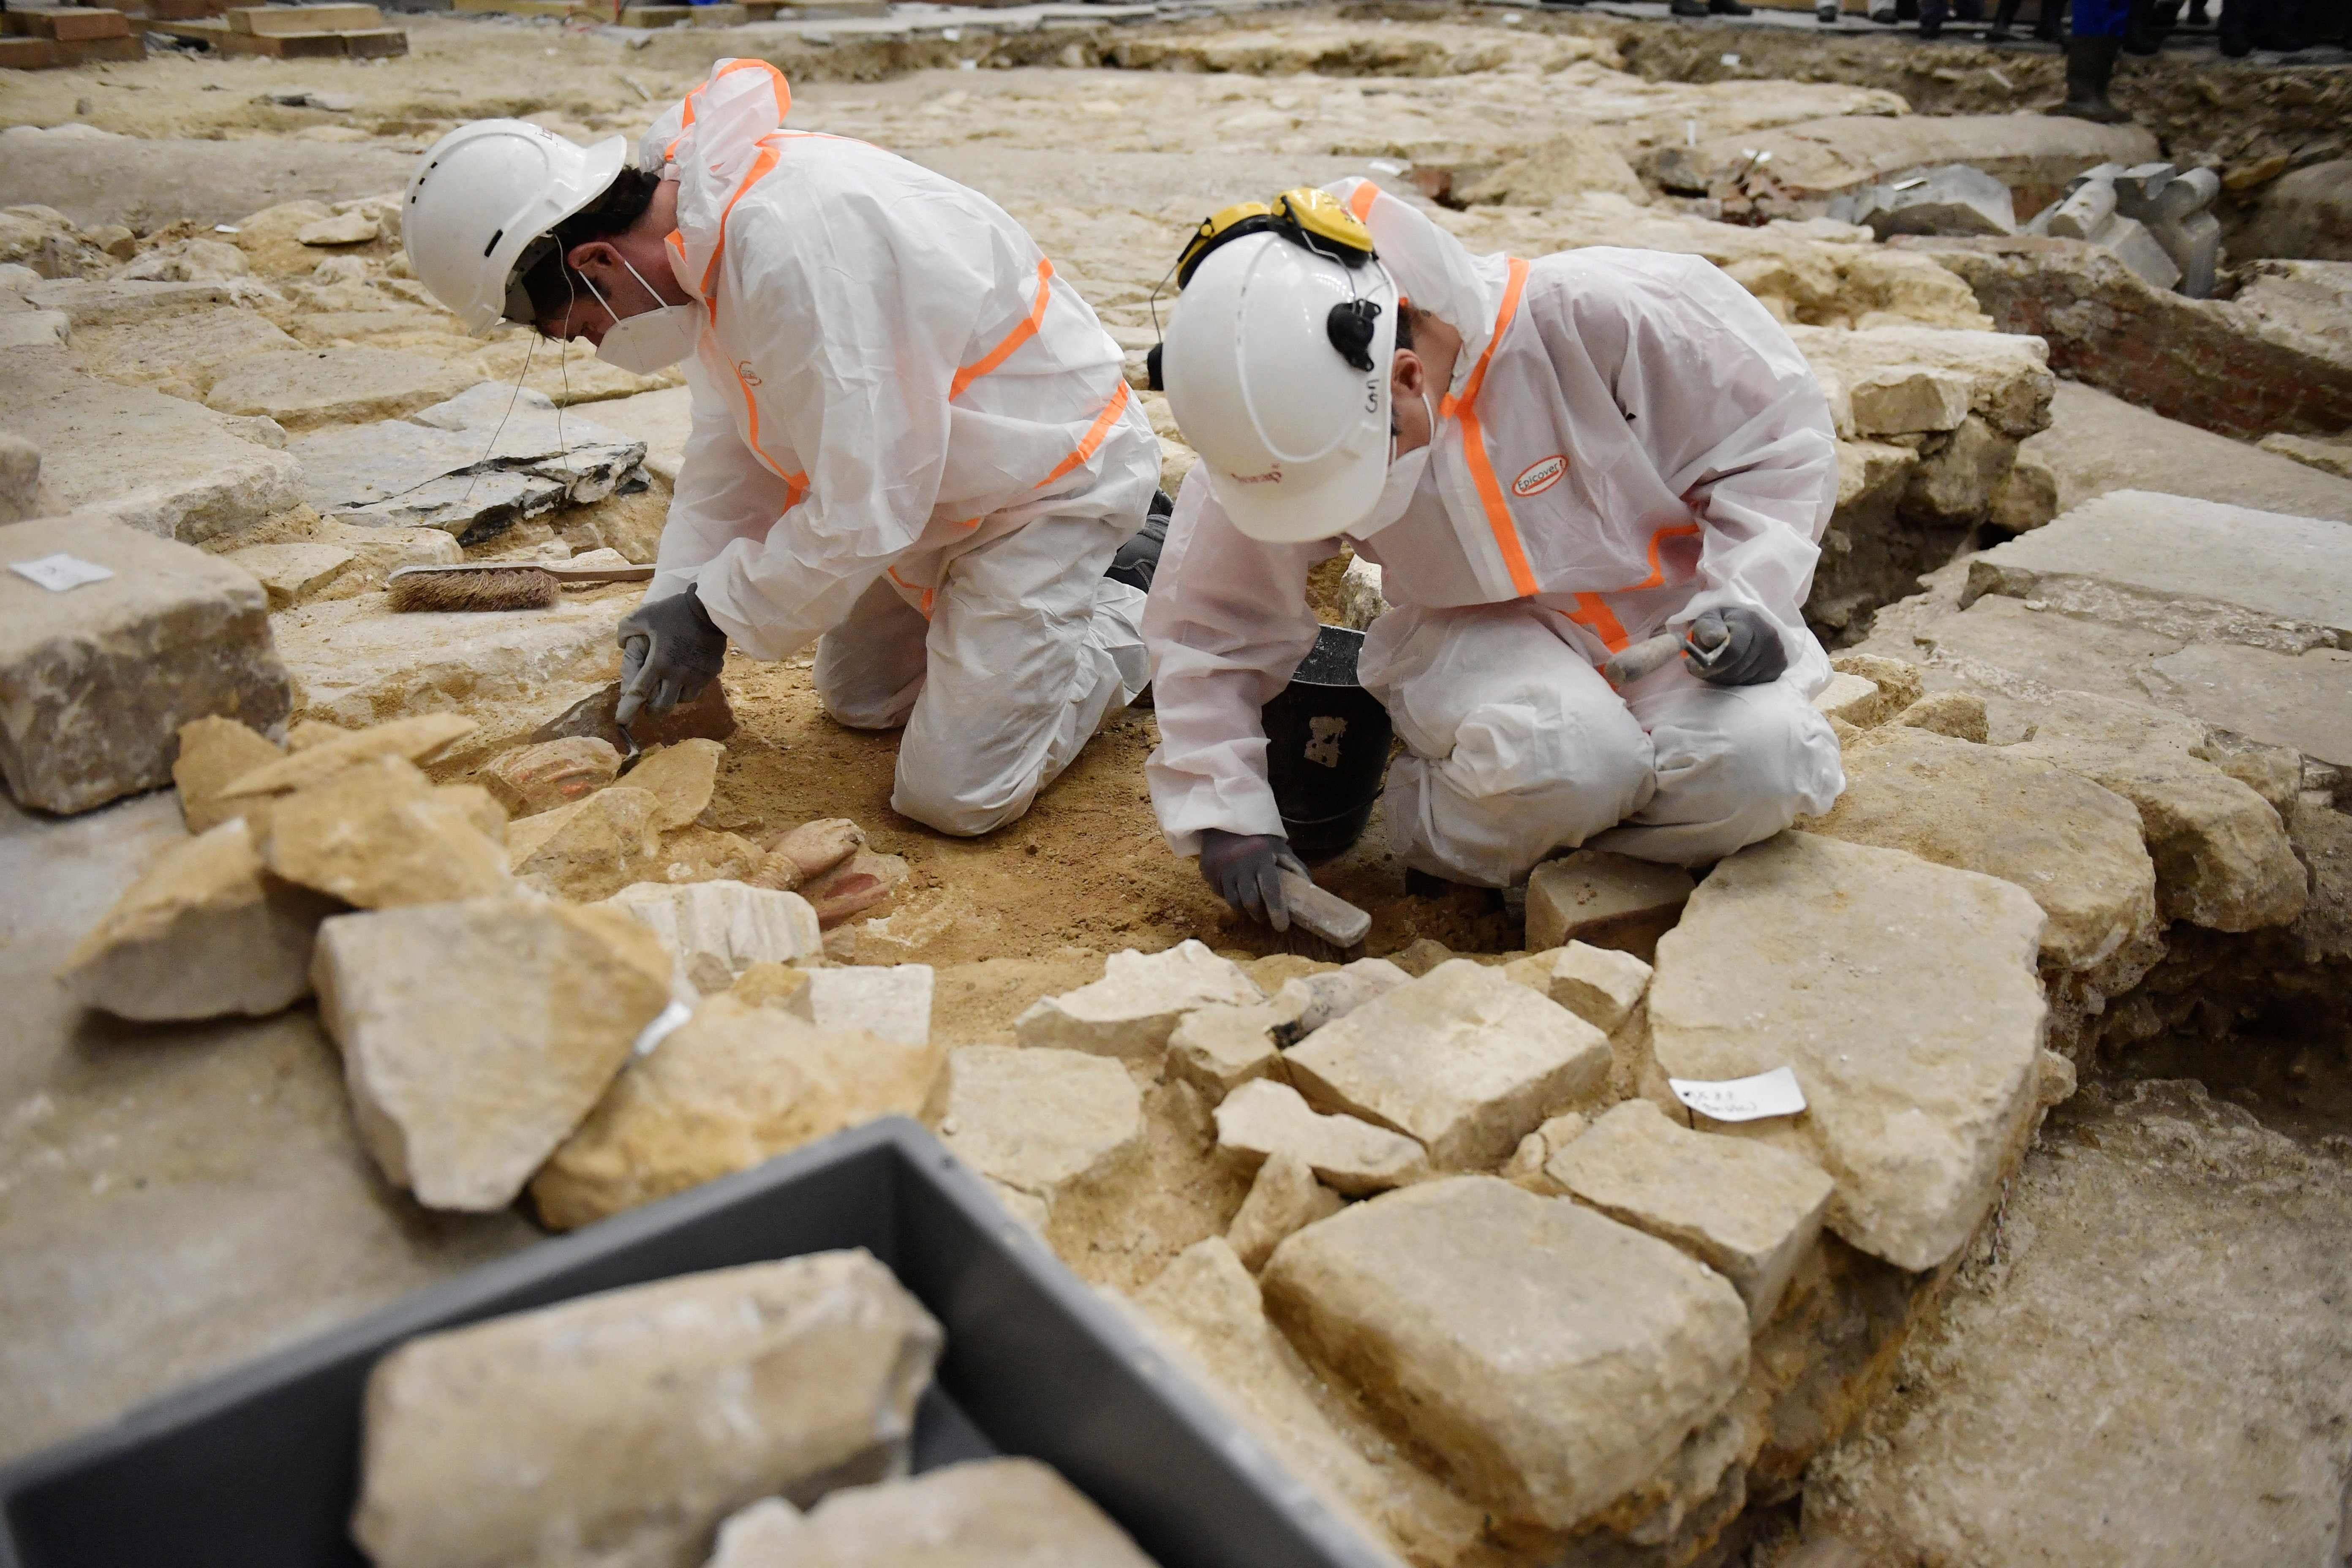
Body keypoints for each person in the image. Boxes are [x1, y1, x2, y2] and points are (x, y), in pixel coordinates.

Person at [400, 60, 1159, 837]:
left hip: (1044, 481)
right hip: (932, 483)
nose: (587, 343)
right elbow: (730, 449)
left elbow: (865, 509)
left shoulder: (794, 247)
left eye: (577, 325)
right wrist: (679, 595)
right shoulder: (698, 243)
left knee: (957, 798)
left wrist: (715, 612)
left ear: (595, 260)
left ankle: (1136, 617)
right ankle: (1021, 631)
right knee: (863, 702)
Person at [1142, 184, 1845, 931]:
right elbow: (1212, 617)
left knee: (1763, 770)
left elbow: (1775, 444)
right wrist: (1226, 809)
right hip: (1475, 640)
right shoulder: (1275, 413)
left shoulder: (1608, 315)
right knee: (1564, 759)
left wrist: (1751, 598)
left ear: (1408, 378)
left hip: (1674, 623)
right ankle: (1487, 824)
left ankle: (1555, 840)